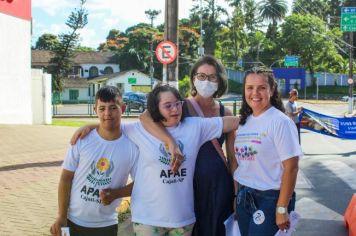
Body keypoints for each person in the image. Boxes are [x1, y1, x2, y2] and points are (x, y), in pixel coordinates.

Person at [70, 84, 240, 236]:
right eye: (167, 106)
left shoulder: (196, 126)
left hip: (183, 220)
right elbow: (111, 127)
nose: (175, 109)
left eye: (177, 103)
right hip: (147, 220)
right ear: (156, 109)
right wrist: (90, 127)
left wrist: (260, 116)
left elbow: (233, 122)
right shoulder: (139, 130)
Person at [140, 55, 237, 236]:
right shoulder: (180, 107)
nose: (206, 81)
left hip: (219, 185)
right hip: (188, 186)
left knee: (217, 229)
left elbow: (232, 158)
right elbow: (146, 116)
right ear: (193, 78)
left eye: (212, 77)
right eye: (201, 76)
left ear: (220, 80)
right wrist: (170, 142)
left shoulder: (226, 111)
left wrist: (236, 193)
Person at [50, 86, 139, 236]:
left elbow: (141, 183)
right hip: (72, 220)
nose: (107, 113)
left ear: (123, 108)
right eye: (102, 108)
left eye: (113, 108)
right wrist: (61, 216)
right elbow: (65, 179)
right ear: (95, 109)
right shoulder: (81, 140)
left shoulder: (132, 147)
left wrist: (116, 194)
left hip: (107, 224)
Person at [234, 67, 303, 236]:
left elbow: (291, 167)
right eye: (250, 87)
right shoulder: (244, 122)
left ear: (272, 90)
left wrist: (281, 207)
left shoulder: (280, 122)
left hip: (270, 199)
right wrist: (236, 198)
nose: (255, 93)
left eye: (262, 87)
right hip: (244, 196)